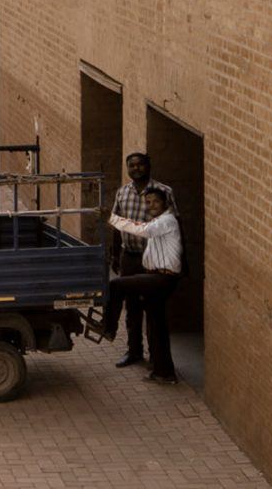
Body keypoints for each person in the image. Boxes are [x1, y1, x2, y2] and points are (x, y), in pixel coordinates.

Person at [100, 185, 183, 383]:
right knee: (157, 326)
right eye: (148, 202)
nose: (151, 205)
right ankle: (164, 372)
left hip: (162, 279)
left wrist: (112, 218)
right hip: (157, 277)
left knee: (116, 285)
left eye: (155, 201)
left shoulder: (166, 221)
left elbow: (143, 230)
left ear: (164, 203)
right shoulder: (158, 222)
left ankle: (108, 328)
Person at [108, 153, 176, 367]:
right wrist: (114, 254)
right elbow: (117, 224)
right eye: (132, 166)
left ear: (149, 166)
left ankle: (157, 359)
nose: (136, 169)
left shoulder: (163, 192)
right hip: (129, 256)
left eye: (140, 165)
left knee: (153, 308)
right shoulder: (123, 192)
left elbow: (173, 223)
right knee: (132, 307)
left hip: (152, 261)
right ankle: (134, 351)